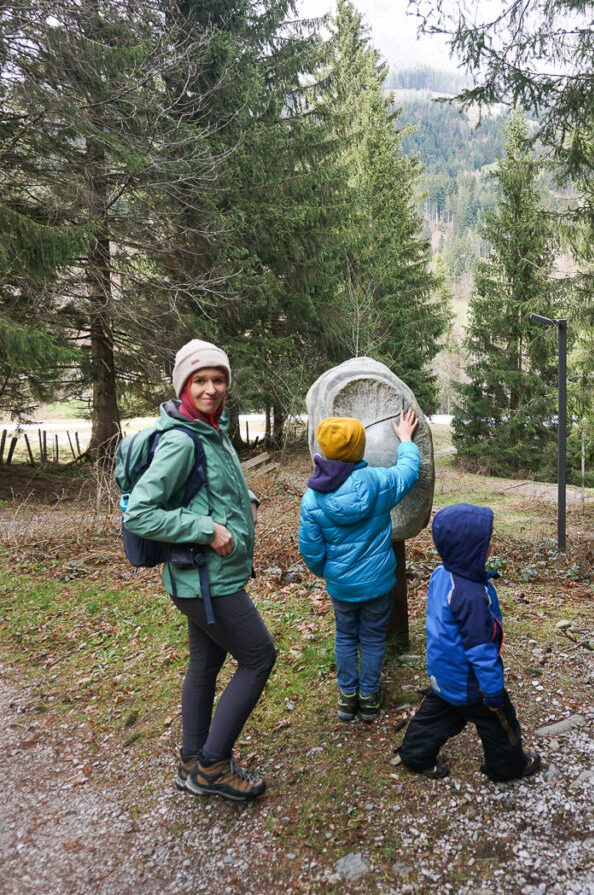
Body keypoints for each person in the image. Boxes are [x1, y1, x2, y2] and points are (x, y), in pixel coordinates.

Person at [123, 339, 276, 802]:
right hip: (205, 580)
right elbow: (140, 513)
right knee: (258, 657)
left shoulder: (209, 428)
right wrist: (207, 528)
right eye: (200, 380)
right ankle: (212, 767)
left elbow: (203, 489)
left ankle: (192, 758)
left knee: (206, 663)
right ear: (184, 385)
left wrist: (236, 504)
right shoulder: (181, 439)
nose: (211, 389)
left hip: (202, 579)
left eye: (218, 379)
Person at [398, 502, 541, 781]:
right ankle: (508, 768)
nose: (489, 547)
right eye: (484, 543)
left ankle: (415, 755)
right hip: (472, 681)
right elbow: (480, 650)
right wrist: (493, 691)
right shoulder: (471, 595)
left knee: (437, 715)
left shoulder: (442, 574)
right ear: (468, 549)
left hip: (444, 672)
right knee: (500, 723)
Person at [298, 409, 420, 722]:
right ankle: (368, 697)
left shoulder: (313, 498)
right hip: (378, 582)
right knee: (374, 638)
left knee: (345, 637)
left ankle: (346, 696)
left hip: (341, 586)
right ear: (359, 449)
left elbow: (310, 551)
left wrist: (329, 573)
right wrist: (405, 440)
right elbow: (408, 472)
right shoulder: (378, 482)